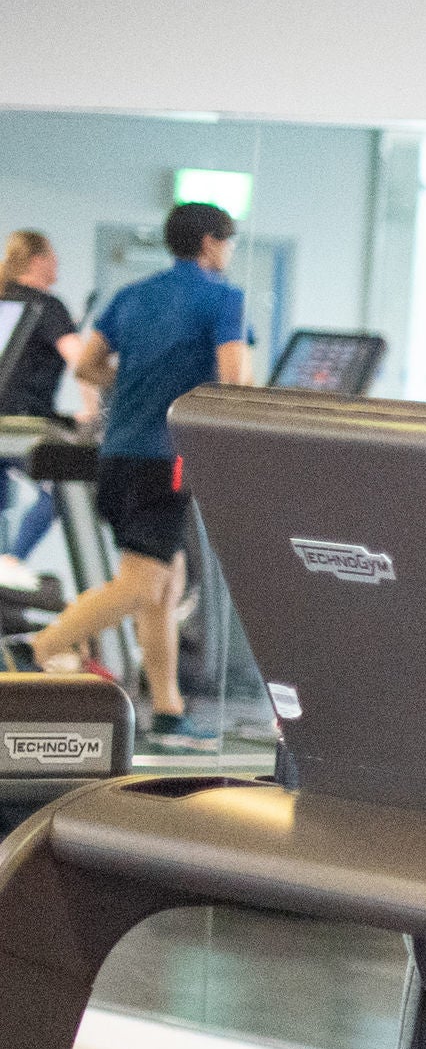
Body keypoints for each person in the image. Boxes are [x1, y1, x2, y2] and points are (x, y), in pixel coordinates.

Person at [14, 204, 246, 743]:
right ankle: (34, 650)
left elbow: (87, 366)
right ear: (211, 244)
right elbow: (235, 384)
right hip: (166, 460)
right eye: (228, 242)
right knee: (143, 582)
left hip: (117, 457)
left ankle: (168, 708)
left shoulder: (131, 296)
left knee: (165, 584)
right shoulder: (223, 299)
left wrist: (139, 384)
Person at [1, 230, 90, 562]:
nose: (58, 263)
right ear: (38, 261)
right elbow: (82, 363)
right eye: (53, 256)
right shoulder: (47, 306)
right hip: (23, 423)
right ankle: (12, 559)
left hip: (9, 422)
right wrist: (92, 409)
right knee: (61, 486)